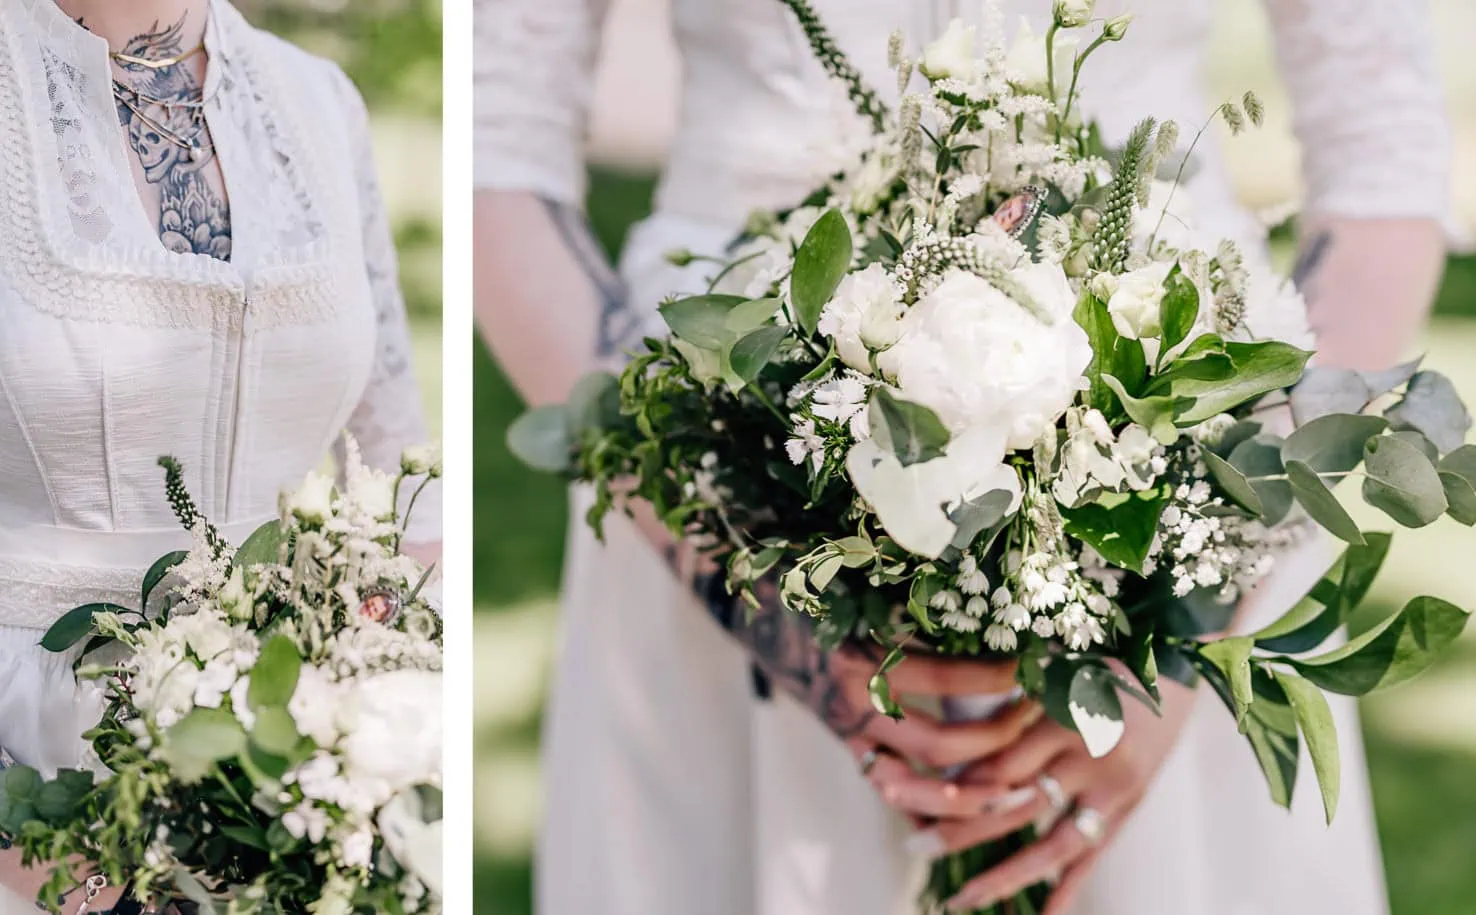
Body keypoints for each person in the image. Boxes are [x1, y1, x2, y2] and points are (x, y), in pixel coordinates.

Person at [474, 1, 1451, 912]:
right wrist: (742, 571)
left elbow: (1385, 154)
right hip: (706, 464)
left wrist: (1189, 623)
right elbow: (494, 142)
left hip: (1189, 448)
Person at [0, 0, 441, 909]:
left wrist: (396, 740)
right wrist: (39, 861)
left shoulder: (320, 102)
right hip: (34, 785)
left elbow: (406, 470)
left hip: (295, 796)